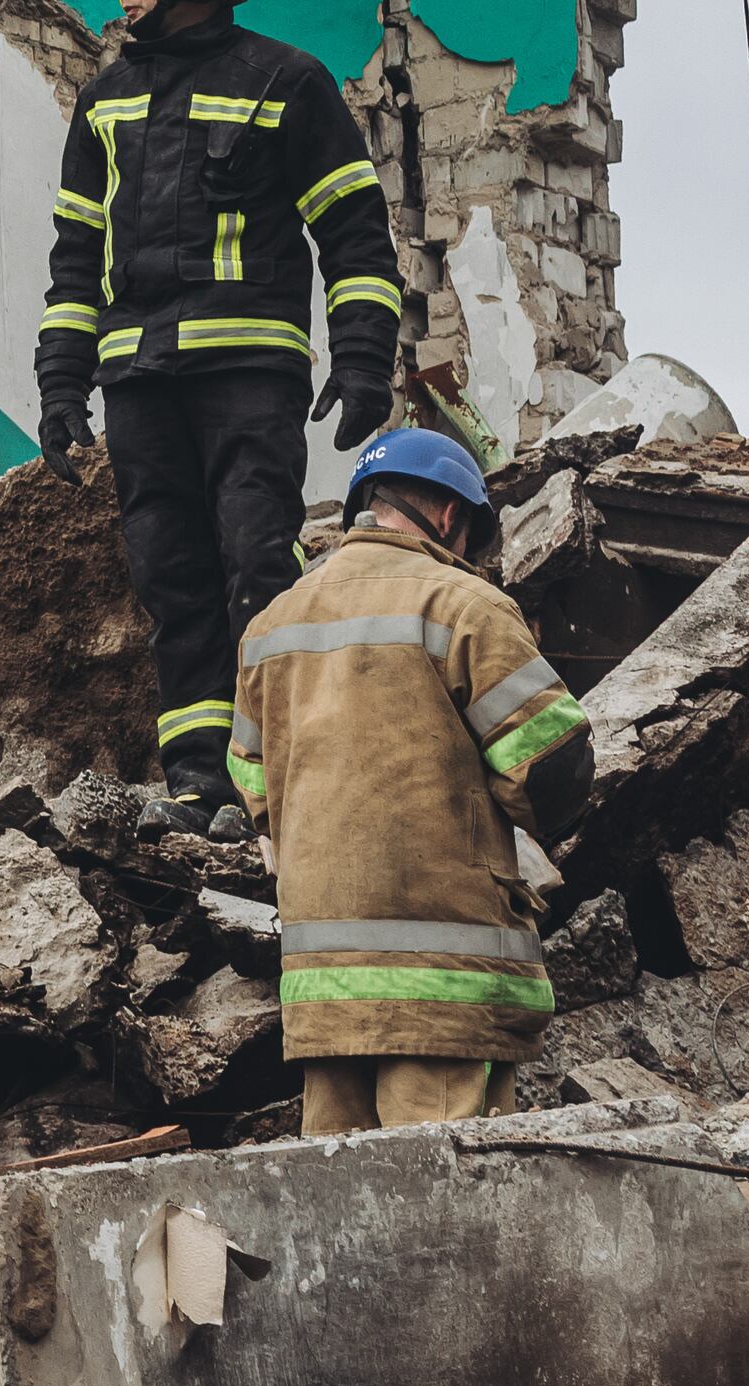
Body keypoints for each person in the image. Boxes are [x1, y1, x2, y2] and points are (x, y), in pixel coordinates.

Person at [31, 0, 412, 834]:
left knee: (256, 563)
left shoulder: (287, 81)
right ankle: (199, 781)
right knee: (172, 580)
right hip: (140, 384)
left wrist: (365, 360)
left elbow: (356, 234)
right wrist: (61, 386)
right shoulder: (105, 101)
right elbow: (76, 258)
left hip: (248, 376)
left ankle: (280, 770)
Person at [227, 424, 593, 1133]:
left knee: (341, 1209)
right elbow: (550, 766)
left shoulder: (271, 627)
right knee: (447, 1208)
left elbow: (250, 778)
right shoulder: (464, 605)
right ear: (452, 515)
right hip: (445, 989)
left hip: (324, 994)